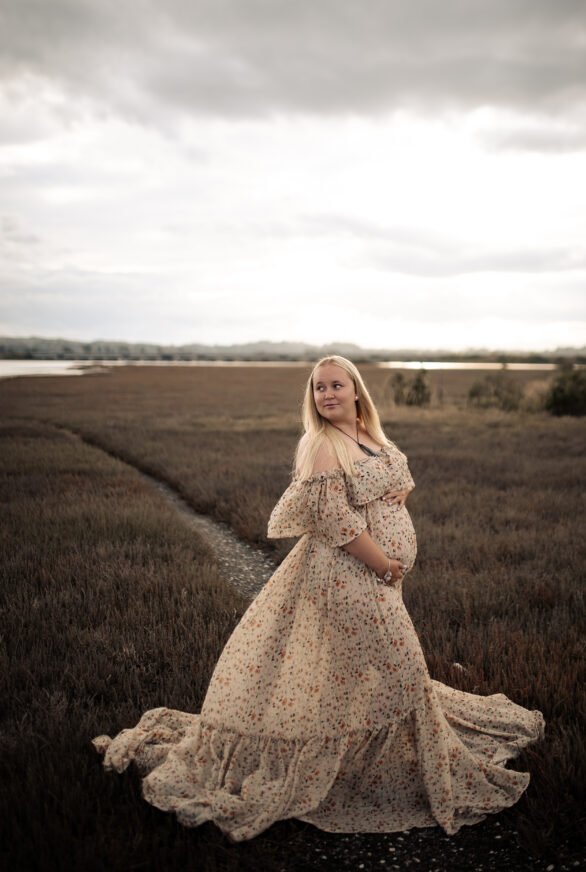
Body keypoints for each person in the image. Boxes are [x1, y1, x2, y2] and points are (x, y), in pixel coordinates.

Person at [92, 355, 545, 842]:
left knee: (351, 676)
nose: (326, 394)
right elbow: (335, 520)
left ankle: (355, 760)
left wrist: (404, 490)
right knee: (403, 670)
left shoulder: (371, 434)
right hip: (348, 577)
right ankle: (363, 771)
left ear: (356, 392)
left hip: (377, 582)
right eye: (318, 388)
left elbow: (394, 472)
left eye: (336, 385)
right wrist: (384, 564)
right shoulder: (321, 445)